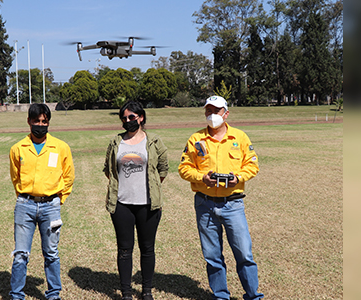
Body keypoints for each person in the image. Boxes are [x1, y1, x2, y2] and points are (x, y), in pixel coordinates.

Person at [178, 96, 264, 300]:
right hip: (204, 204)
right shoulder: (195, 139)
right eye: (208, 111)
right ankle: (220, 296)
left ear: (226, 113)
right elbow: (184, 168)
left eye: (216, 111)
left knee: (244, 254)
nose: (212, 115)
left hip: (233, 204)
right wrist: (202, 177)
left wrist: (239, 177)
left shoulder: (240, 138)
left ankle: (253, 296)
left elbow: (252, 165)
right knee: (212, 256)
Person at [103, 101, 169, 300]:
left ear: (141, 117)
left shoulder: (154, 141)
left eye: (132, 117)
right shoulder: (116, 142)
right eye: (124, 118)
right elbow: (109, 170)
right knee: (124, 249)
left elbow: (163, 169)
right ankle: (126, 293)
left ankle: (147, 291)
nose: (128, 121)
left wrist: (149, 188)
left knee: (147, 248)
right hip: (122, 204)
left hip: (148, 205)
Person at [9, 103, 75, 300]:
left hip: (51, 206)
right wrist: (24, 198)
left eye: (44, 121)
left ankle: (54, 294)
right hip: (25, 205)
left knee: (51, 253)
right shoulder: (17, 148)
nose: (40, 124)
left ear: (48, 123)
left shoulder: (61, 147)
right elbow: (15, 177)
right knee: (21, 253)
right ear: (29, 121)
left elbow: (68, 176)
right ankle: (16, 295)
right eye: (36, 121)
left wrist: (58, 200)